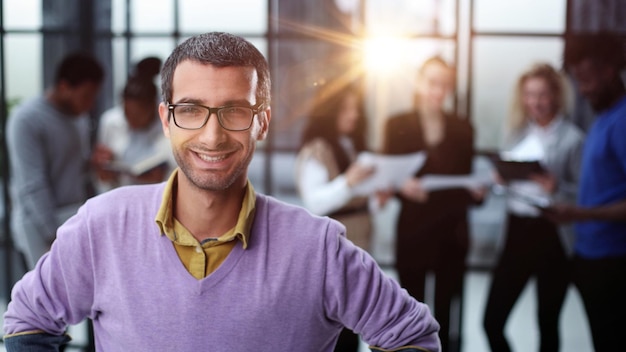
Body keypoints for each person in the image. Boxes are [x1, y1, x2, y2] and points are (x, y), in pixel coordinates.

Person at [3, 32, 441, 352]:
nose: (212, 137)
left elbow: (413, 335)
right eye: (191, 110)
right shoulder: (102, 226)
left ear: (262, 122)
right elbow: (27, 322)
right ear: (166, 119)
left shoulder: (318, 247)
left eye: (234, 111)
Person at [482, 63, 585, 352]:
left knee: (547, 323)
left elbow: (586, 197)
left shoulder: (573, 139)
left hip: (551, 236)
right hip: (516, 231)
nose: (535, 103)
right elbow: (507, 186)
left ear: (556, 96)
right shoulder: (515, 133)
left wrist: (557, 188)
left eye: (542, 95)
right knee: (492, 321)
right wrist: (499, 179)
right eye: (529, 95)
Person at [382, 56, 481, 352]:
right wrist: (401, 186)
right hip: (414, 231)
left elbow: (466, 182)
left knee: (447, 313)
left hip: (452, 232)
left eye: (445, 84)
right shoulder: (396, 124)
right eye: (432, 82)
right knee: (412, 313)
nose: (438, 90)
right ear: (419, 82)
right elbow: (388, 176)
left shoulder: (464, 128)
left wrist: (478, 192)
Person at [546, 32, 626, 351]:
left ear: (609, 70)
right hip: (590, 256)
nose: (583, 90)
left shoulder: (622, 121)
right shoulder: (604, 119)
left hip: (613, 263)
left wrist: (579, 213)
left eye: (587, 79)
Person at [295, 81, 375, 351]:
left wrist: (374, 195)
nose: (353, 115)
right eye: (346, 110)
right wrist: (349, 182)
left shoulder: (350, 144)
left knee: (353, 328)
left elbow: (352, 198)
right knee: (336, 331)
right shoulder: (317, 149)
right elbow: (315, 202)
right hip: (333, 253)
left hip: (358, 248)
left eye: (356, 109)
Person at [6, 52, 104, 269]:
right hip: (39, 224)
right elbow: (32, 184)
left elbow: (71, 165)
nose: (90, 103)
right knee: (46, 295)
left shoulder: (78, 117)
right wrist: (53, 235)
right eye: (86, 95)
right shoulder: (26, 120)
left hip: (72, 216)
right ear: (63, 87)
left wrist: (94, 162)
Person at [92, 56, 175, 193]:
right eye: (127, 114)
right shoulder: (111, 122)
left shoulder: (170, 125)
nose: (131, 121)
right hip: (119, 195)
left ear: (153, 108)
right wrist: (102, 168)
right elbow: (102, 176)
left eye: (138, 116)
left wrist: (163, 179)